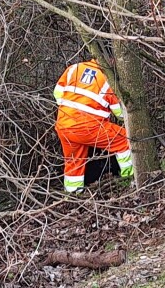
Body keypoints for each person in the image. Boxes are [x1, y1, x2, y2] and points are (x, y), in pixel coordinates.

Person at [53, 56, 135, 194]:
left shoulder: (74, 69)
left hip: (64, 124)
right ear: (112, 60)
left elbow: (57, 94)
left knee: (74, 163)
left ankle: (72, 196)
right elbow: (121, 113)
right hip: (89, 126)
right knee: (125, 140)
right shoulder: (108, 78)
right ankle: (129, 178)